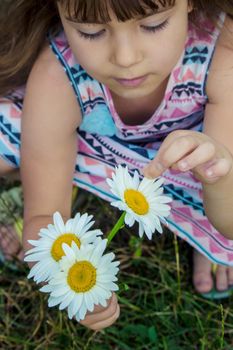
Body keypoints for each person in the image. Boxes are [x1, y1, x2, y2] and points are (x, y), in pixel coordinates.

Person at [1, 0, 233, 330]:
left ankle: (204, 239)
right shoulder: (58, 75)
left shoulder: (222, 53)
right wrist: (73, 280)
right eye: (91, 31)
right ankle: (63, 188)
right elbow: (44, 216)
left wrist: (217, 171)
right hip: (95, 151)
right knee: (12, 131)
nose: (125, 58)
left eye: (153, 25)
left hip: (189, 164)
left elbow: (231, 221)